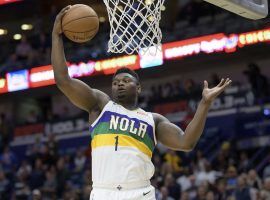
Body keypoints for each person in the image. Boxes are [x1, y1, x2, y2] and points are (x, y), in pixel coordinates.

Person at [51, 5, 232, 200]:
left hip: (140, 193)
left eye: (126, 81)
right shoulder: (100, 105)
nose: (119, 84)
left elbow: (186, 142)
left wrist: (204, 104)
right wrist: (56, 36)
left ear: (138, 88)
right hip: (104, 192)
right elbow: (63, 80)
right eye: (115, 82)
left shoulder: (152, 120)